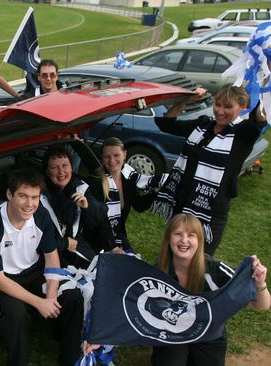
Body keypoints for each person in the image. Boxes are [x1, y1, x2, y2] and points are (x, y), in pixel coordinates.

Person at [0, 167, 84, 366]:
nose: (30, 204)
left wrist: (51, 296)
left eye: (35, 197)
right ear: (9, 194)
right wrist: (39, 302)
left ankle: (69, 359)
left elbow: (51, 256)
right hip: (6, 281)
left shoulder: (41, 215)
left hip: (35, 273)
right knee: (17, 314)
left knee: (73, 298)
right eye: (23, 196)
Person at [152, 85, 266, 255]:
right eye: (217, 105)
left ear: (242, 107)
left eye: (228, 107)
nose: (220, 111)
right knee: (173, 254)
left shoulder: (243, 133)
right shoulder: (203, 125)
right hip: (181, 202)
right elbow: (166, 124)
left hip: (210, 211)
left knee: (199, 261)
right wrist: (186, 100)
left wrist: (262, 85)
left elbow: (259, 117)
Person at [151, 213, 270, 365]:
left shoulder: (215, 269)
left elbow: (261, 306)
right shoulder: (158, 271)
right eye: (178, 234)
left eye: (191, 235)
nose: (184, 240)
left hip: (209, 333)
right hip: (172, 333)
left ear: (199, 241)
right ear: (169, 239)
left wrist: (260, 285)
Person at [40, 145, 117, 269]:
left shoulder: (80, 188)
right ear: (47, 171)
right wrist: (64, 243)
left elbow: (99, 220)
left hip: (77, 246)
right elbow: (32, 235)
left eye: (65, 166)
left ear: (72, 166)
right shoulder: (38, 196)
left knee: (105, 271)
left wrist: (87, 207)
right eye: (54, 167)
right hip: (48, 253)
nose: (61, 172)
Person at [87, 137, 165, 252]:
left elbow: (139, 206)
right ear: (102, 158)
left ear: (124, 154)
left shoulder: (129, 177)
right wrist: (112, 247)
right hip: (96, 238)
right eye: (107, 156)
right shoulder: (95, 181)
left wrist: (155, 192)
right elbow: (100, 220)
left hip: (118, 234)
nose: (112, 160)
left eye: (116, 155)